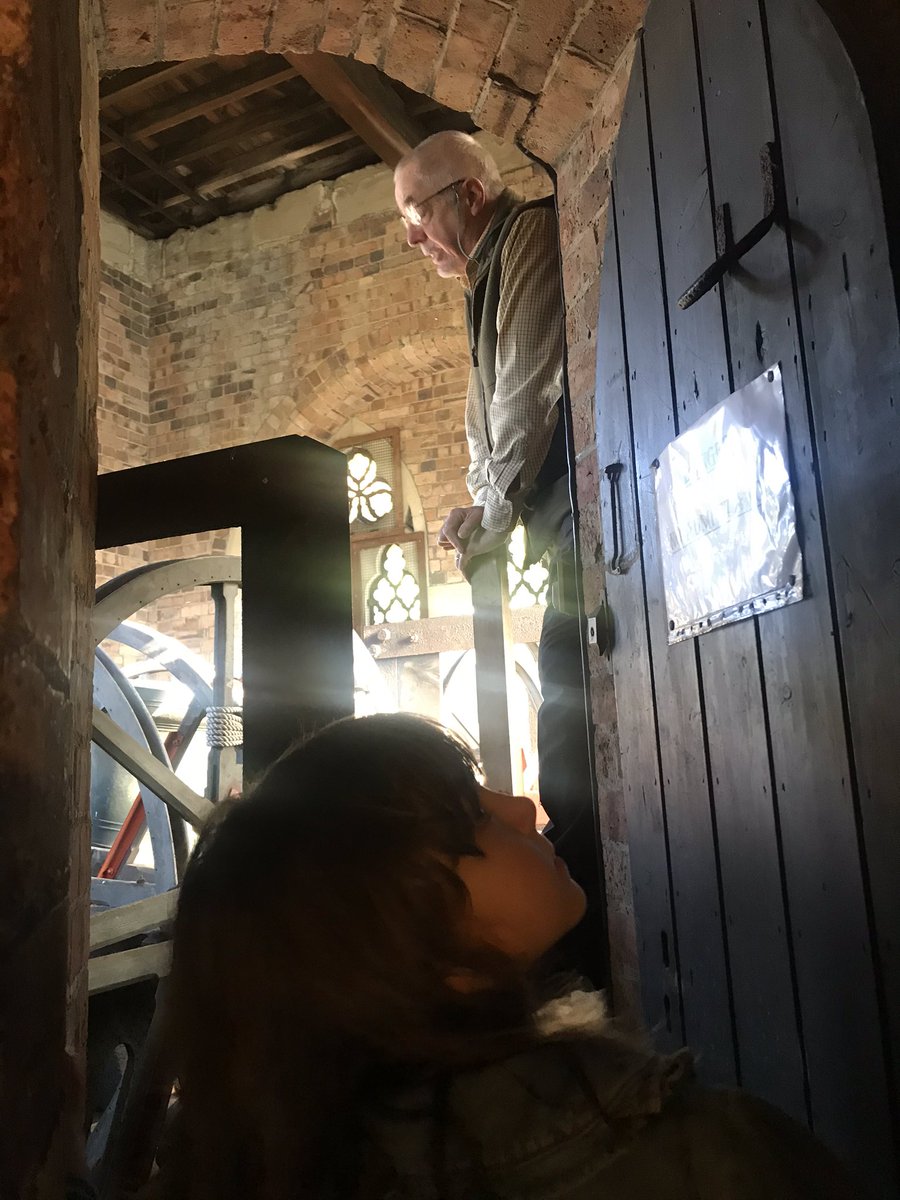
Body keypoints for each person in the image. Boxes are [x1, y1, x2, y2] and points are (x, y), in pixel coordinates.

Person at [152, 713, 858, 1200]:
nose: (521, 808)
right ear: (393, 927)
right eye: (474, 815)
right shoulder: (708, 1159)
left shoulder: (240, 1165)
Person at [392, 133, 604, 982]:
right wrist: (482, 500)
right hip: (560, 537)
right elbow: (489, 425)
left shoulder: (526, 240)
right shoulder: (485, 278)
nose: (412, 238)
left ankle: (582, 954)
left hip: (586, 534)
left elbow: (526, 389)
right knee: (564, 735)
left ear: (470, 196)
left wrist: (494, 508)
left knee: (570, 738)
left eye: (418, 213)